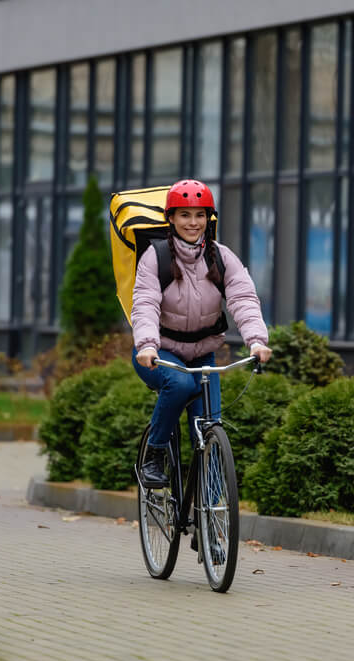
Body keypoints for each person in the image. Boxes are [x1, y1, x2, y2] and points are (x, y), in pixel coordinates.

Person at [132, 179, 272, 488]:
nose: (193, 222)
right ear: (171, 218)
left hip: (202, 354)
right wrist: (146, 345)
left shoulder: (221, 257)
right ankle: (155, 453)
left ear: (209, 218)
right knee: (181, 384)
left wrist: (257, 340)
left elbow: (243, 299)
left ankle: (209, 521)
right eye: (184, 215)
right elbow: (145, 303)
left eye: (200, 215)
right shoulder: (156, 258)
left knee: (209, 425)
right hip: (158, 354)